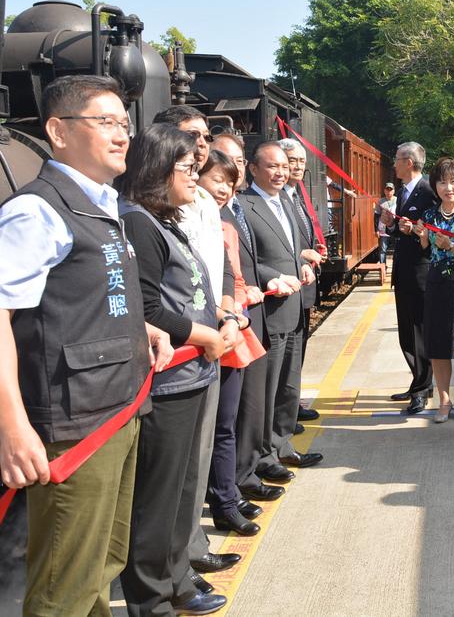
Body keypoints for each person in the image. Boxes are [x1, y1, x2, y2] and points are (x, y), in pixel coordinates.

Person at [0, 75, 173, 616]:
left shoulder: (101, 205)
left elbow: (87, 299)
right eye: (104, 122)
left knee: (99, 567)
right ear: (58, 131)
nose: (121, 135)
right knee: (64, 587)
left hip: (117, 410)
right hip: (75, 426)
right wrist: (13, 430)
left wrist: (141, 329)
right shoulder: (34, 212)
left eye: (124, 124)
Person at [116, 122, 232, 616]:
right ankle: (150, 597)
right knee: (157, 499)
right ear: (159, 170)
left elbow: (188, 293)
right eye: (186, 168)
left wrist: (219, 318)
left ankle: (178, 578)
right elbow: (147, 306)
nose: (194, 175)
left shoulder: (166, 219)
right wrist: (205, 335)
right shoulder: (140, 221)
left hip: (192, 373)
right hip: (169, 380)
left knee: (182, 490)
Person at [151, 105, 238, 578]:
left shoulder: (202, 202)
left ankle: (192, 549)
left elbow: (216, 266)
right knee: (176, 473)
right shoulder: (158, 209)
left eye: (206, 137)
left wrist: (228, 309)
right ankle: (175, 567)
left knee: (197, 460)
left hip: (208, 340)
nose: (203, 145)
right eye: (192, 137)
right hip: (183, 350)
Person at [238, 143, 321, 489]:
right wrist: (271, 273)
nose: (280, 172)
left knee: (289, 385)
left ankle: (281, 443)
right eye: (272, 166)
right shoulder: (244, 205)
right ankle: (262, 456)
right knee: (267, 390)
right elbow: (242, 259)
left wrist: (300, 265)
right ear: (253, 169)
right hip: (268, 309)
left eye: (284, 166)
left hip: (293, 306)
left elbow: (290, 249)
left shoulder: (287, 200)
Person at [196, 149, 265, 538]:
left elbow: (229, 278)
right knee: (215, 429)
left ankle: (225, 498)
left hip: (229, 330)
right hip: (205, 337)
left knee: (225, 425)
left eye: (227, 180)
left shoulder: (223, 226)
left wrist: (235, 310)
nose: (223, 188)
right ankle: (222, 498)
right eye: (214, 179)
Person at [211, 133, 281, 515]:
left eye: (235, 163)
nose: (231, 173)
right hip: (221, 328)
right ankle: (231, 485)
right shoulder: (216, 213)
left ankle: (241, 476)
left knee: (240, 411)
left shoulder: (234, 209)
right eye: (225, 165)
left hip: (243, 318)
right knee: (227, 420)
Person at [413, 157, 454, 423]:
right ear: (435, 186)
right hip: (437, 284)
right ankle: (444, 400)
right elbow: (426, 252)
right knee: (439, 346)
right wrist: (424, 240)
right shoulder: (429, 215)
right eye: (442, 182)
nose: (448, 187)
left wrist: (452, 247)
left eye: (453, 181)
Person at [383, 142, 436, 414]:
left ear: (409, 162)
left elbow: (435, 229)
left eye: (397, 159)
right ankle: (419, 381)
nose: (394, 164)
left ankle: (422, 387)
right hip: (403, 273)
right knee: (406, 334)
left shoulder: (427, 191)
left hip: (420, 273)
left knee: (419, 333)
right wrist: (392, 225)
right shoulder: (404, 192)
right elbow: (402, 234)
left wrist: (417, 231)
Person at [278, 137, 327, 424]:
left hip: (305, 282)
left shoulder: (296, 194)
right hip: (289, 284)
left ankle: (292, 403)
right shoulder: (279, 196)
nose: (296, 167)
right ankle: (286, 411)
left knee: (299, 348)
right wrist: (300, 255)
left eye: (300, 162)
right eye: (291, 161)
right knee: (288, 353)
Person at [375, 182, 397, 263]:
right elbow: (376, 216)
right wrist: (376, 230)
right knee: (383, 249)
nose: (389, 192)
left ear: (394, 191)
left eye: (390, 190)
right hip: (383, 230)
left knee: (396, 248)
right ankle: (383, 266)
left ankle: (396, 265)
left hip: (395, 228)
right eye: (387, 190)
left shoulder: (397, 200)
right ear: (384, 191)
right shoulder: (380, 201)